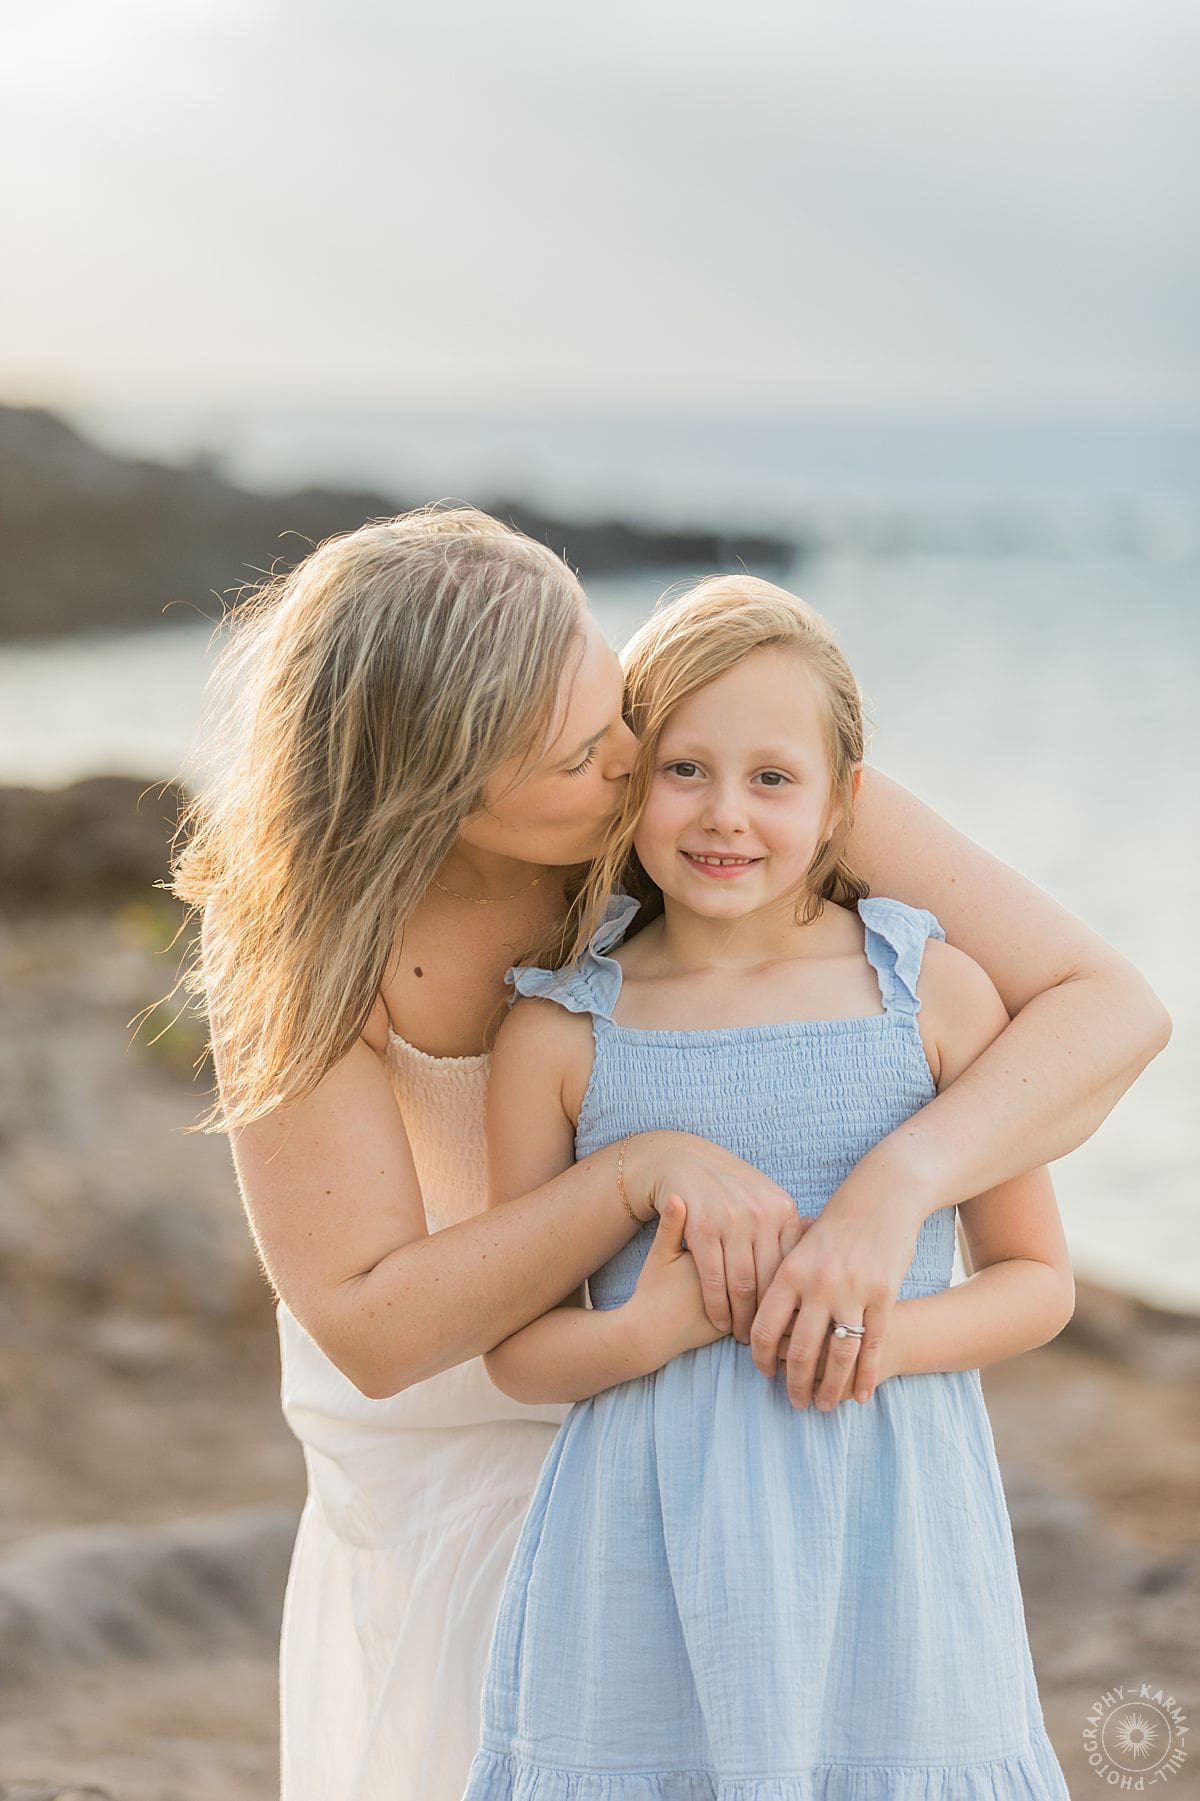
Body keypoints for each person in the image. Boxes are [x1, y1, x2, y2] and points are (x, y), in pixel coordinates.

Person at [170, 507, 1166, 1801]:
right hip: (463, 1421)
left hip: (737, 1390)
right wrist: (633, 1177)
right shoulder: (297, 937)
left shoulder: (713, 800)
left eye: (615, 704)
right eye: (584, 753)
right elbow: (370, 1324)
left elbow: (1108, 1014)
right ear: (444, 788)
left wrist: (897, 1187)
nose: (634, 759)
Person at [464, 575, 1078, 1798]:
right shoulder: (561, 1033)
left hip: (891, 1521)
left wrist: (876, 1338)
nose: (725, 814)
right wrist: (651, 1326)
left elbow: (1036, 1279)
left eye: (774, 778)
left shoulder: (933, 994)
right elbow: (517, 1350)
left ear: (844, 799)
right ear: (629, 777)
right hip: (643, 1533)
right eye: (684, 769)